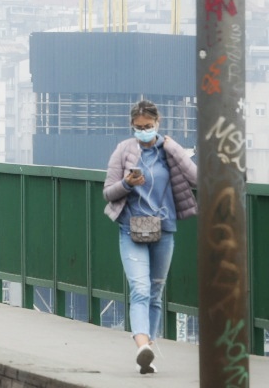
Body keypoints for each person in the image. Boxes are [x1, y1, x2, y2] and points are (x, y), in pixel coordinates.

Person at [103, 99, 198, 375]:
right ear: (132, 126)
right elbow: (108, 192)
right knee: (140, 290)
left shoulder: (169, 151)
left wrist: (174, 148)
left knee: (155, 293)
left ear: (158, 123)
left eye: (147, 126)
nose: (143, 131)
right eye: (138, 127)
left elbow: (196, 179)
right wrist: (126, 183)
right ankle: (142, 346)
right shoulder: (124, 150)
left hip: (164, 228)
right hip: (131, 229)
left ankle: (149, 351)